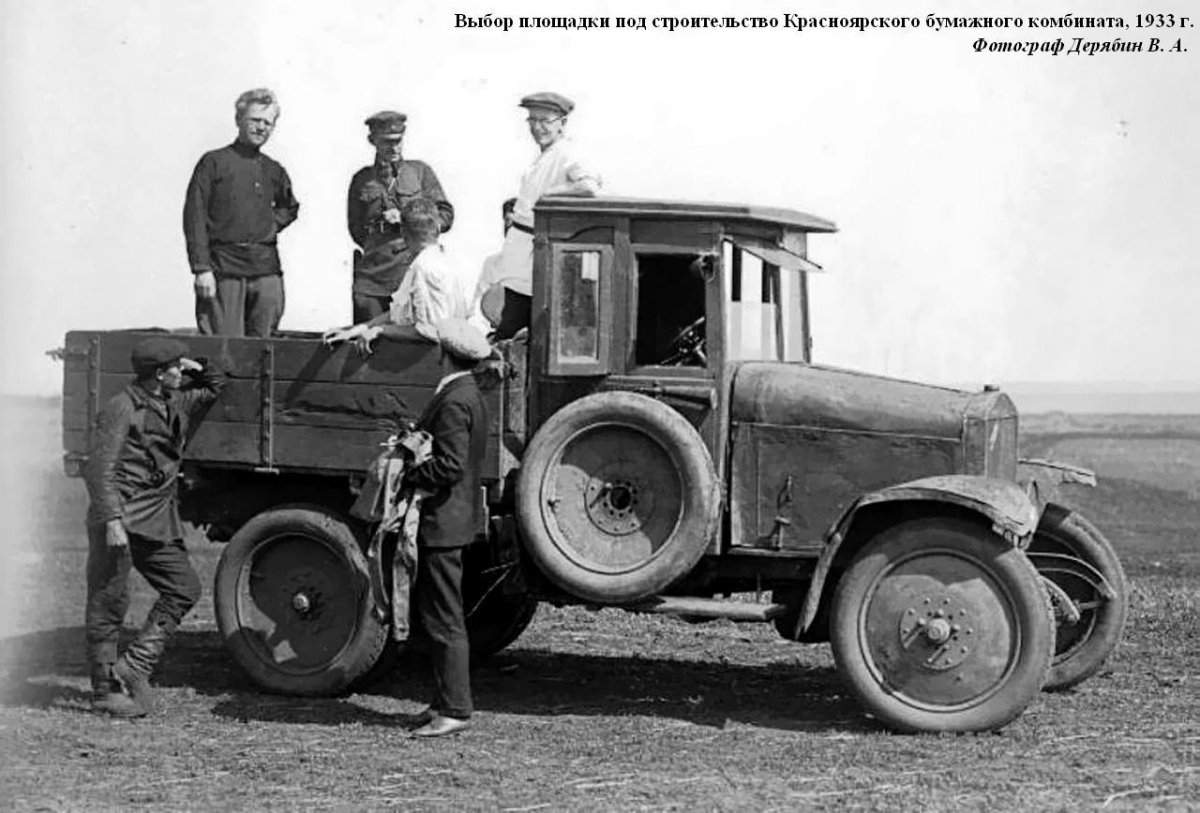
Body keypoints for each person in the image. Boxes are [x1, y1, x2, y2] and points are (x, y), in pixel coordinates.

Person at [83, 338, 226, 716]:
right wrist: (112, 520)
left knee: (184, 588)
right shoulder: (121, 408)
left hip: (154, 518)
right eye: (176, 368)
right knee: (109, 602)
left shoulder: (173, 400)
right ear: (159, 374)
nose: (182, 372)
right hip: (120, 516)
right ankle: (103, 691)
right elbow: (98, 470)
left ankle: (136, 665)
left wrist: (195, 366)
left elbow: (215, 386)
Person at [404, 318, 492, 738]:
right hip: (455, 519)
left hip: (443, 521)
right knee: (440, 614)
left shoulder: (455, 399)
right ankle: (442, 701)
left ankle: (454, 708)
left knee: (443, 618)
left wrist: (413, 471)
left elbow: (451, 465)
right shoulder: (468, 393)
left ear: (443, 353)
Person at [482, 92, 601, 339]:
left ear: (562, 123)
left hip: (536, 258)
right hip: (520, 258)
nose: (538, 127)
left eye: (545, 121)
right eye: (532, 121)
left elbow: (589, 187)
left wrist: (549, 195)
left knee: (516, 325)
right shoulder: (545, 158)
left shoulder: (567, 154)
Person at [184, 88, 300, 337]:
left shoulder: (273, 169)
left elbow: (290, 207)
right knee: (223, 352)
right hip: (223, 272)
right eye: (255, 120)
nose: (261, 128)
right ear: (239, 119)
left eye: (268, 123)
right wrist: (201, 269)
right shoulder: (213, 162)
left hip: (266, 271)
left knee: (264, 350)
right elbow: (194, 217)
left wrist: (269, 225)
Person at [348, 111, 454, 323]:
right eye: (387, 142)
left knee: (414, 342)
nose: (394, 148)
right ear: (373, 141)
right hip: (373, 276)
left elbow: (445, 215)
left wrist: (410, 221)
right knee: (368, 341)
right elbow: (356, 229)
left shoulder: (420, 172)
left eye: (398, 141)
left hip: (411, 270)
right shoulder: (362, 179)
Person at [324, 198, 469, 354]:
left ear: (404, 234)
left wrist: (381, 330)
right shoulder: (441, 260)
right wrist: (358, 329)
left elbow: (431, 331)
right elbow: (399, 313)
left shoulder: (424, 269)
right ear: (436, 228)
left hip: (430, 361)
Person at [470, 197, 517, 335]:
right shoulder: (492, 264)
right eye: (507, 224)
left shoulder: (540, 266)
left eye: (516, 226)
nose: (510, 230)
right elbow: (477, 311)